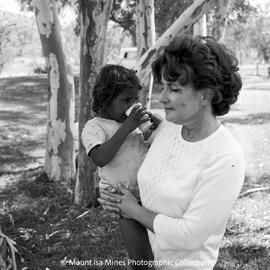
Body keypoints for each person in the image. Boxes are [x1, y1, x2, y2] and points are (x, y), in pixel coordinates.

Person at [98, 35, 245, 270]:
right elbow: (154, 186)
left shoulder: (226, 158)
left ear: (205, 95)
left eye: (174, 89)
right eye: (163, 87)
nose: (162, 97)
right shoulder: (168, 128)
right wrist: (118, 198)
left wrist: (133, 210)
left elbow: (189, 236)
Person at [81, 65, 158, 269]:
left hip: (150, 196)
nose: (132, 104)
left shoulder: (132, 125)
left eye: (134, 99)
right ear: (106, 101)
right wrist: (126, 128)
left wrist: (155, 128)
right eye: (126, 100)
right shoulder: (95, 127)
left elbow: (151, 147)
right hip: (124, 202)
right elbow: (100, 158)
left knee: (157, 251)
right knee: (141, 259)